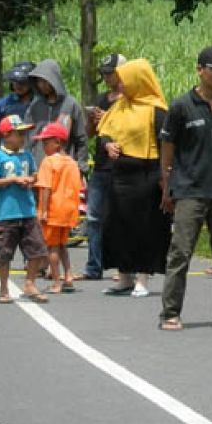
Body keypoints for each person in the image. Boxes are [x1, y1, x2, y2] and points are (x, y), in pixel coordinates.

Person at [158, 47, 212, 331]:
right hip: (188, 189)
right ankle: (170, 312)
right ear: (200, 70)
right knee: (181, 253)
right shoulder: (181, 106)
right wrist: (166, 185)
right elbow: (167, 147)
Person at [97, 58, 170, 298]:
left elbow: (166, 145)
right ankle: (124, 277)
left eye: (124, 81)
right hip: (120, 175)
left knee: (145, 226)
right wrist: (108, 146)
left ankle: (143, 277)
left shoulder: (156, 110)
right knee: (117, 224)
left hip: (147, 175)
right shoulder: (120, 106)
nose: (120, 85)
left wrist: (165, 177)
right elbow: (105, 132)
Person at [0, 115, 47, 304]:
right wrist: (12, 180)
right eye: (19, 133)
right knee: (4, 253)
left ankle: (30, 282)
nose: (22, 137)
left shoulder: (26, 155)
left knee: (36, 249)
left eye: (23, 133)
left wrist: (31, 179)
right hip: (6, 213)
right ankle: (3, 289)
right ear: (6, 135)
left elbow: (35, 173)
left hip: (27, 210)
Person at [80, 53, 126, 281]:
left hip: (123, 164)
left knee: (120, 217)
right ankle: (93, 266)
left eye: (110, 72)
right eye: (104, 73)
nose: (107, 77)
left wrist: (107, 117)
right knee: (94, 217)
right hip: (100, 165)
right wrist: (92, 120)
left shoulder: (131, 100)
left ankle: (123, 267)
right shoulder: (101, 98)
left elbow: (132, 129)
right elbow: (90, 134)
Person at [33, 122, 83, 294]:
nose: (43, 146)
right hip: (68, 210)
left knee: (52, 247)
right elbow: (78, 187)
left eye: (46, 143)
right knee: (62, 245)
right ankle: (68, 276)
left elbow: (46, 187)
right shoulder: (72, 162)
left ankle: (56, 281)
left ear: (58, 142)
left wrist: (44, 210)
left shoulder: (48, 162)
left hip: (53, 210)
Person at [24, 59, 88, 174]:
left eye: (45, 81)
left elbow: (81, 138)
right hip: (38, 167)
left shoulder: (71, 105)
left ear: (55, 80)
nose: (41, 85)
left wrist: (81, 166)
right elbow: (27, 137)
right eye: (38, 81)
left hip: (64, 168)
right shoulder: (35, 106)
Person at [0, 61, 36, 131]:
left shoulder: (40, 103)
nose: (18, 85)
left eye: (23, 82)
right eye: (15, 81)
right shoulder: (2, 105)